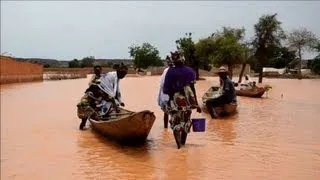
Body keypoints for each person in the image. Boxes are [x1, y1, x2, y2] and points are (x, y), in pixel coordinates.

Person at [163, 51, 201, 136]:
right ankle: (185, 131)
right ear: (183, 59)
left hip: (174, 99)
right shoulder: (190, 71)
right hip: (188, 100)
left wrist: (169, 100)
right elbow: (192, 88)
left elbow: (166, 88)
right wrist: (197, 104)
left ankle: (176, 127)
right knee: (188, 116)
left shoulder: (170, 72)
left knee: (174, 114)